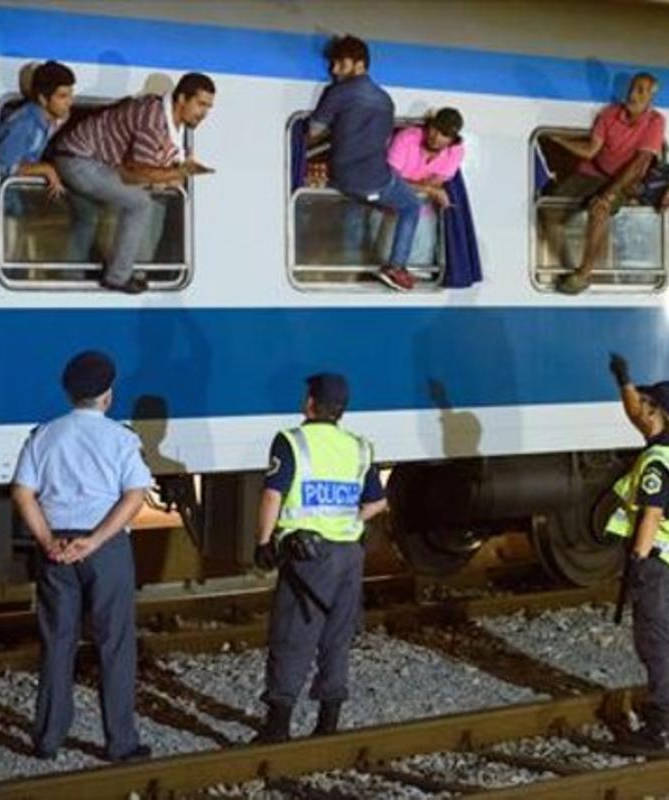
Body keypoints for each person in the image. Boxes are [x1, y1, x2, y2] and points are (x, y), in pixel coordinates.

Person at [10, 351, 153, 762]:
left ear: (69, 393)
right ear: (107, 396)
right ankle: (121, 742)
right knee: (114, 643)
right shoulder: (122, 439)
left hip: (57, 552)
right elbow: (134, 496)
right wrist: (95, 540)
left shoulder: (44, 435)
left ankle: (48, 738)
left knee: (57, 642)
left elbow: (22, 493)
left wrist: (48, 540)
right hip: (104, 550)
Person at [253, 373, 388, 743]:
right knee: (336, 638)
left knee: (293, 635)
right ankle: (328, 724)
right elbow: (377, 502)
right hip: (349, 554)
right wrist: (348, 521)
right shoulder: (359, 447)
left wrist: (264, 542)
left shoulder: (291, 442)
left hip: (309, 557)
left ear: (310, 403)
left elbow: (272, 496)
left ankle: (277, 726)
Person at [603, 354, 669, 751]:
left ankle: (658, 727)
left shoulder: (655, 464)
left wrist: (637, 559)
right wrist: (624, 380)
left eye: (644, 404)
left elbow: (651, 514)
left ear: (656, 413)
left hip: (660, 562)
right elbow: (635, 411)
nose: (637, 410)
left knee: (657, 641)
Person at [53, 73, 216, 294]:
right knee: (139, 203)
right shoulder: (153, 120)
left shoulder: (168, 124)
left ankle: (73, 272)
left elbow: (151, 166)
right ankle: (117, 277)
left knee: (89, 218)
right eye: (200, 104)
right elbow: (135, 173)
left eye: (208, 107)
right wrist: (175, 173)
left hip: (86, 160)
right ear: (181, 99)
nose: (204, 113)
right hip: (78, 160)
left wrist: (169, 173)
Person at [309, 35, 421, 292]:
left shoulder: (336, 93)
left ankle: (346, 269)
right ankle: (395, 267)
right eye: (333, 64)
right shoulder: (385, 100)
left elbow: (313, 132)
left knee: (365, 205)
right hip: (374, 180)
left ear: (359, 64)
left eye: (340, 64)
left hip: (341, 177)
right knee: (411, 205)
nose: (334, 71)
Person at [542, 73, 666, 294]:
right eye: (633, 88)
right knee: (549, 210)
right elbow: (591, 150)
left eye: (641, 90)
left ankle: (583, 274)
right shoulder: (609, 114)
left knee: (599, 209)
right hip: (592, 172)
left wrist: (609, 194)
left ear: (650, 98)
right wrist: (560, 141)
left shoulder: (656, 121)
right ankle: (566, 264)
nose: (633, 94)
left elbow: (639, 163)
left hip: (623, 181)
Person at [379, 107, 466, 265]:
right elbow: (389, 180)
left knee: (420, 266)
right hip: (390, 211)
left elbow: (435, 183)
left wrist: (422, 187)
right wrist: (429, 190)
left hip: (423, 214)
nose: (436, 137)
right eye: (435, 129)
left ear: (452, 140)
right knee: (384, 260)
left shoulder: (455, 152)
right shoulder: (407, 138)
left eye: (444, 135)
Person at [0, 60, 75, 199]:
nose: (70, 102)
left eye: (70, 95)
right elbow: (4, 166)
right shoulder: (24, 124)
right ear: (43, 99)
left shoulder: (51, 120)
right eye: (62, 96)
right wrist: (45, 169)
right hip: (9, 200)